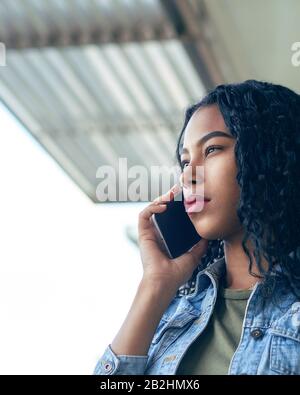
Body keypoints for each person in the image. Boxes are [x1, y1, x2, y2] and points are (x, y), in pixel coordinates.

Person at [94, 80, 300, 375]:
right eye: (185, 160)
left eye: (213, 149)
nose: (188, 176)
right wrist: (155, 284)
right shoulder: (177, 316)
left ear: (272, 157)